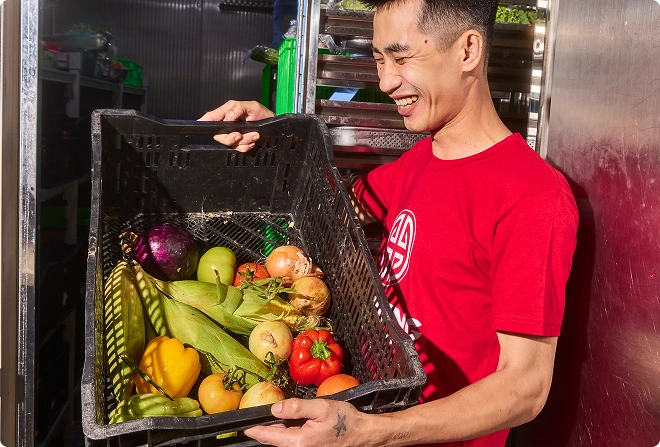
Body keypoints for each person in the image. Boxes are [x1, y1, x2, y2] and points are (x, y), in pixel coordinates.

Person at [200, 0, 579, 445]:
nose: (385, 81)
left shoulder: (532, 196)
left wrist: (370, 432)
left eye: (402, 57)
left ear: (468, 50)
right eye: (380, 60)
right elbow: (337, 210)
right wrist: (280, 139)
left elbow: (526, 388)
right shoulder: (421, 159)